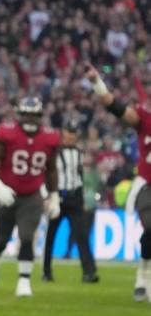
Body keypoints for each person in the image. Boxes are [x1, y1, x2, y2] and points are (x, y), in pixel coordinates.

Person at [0, 96, 61, 297]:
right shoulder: (6, 134)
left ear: (40, 116)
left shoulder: (50, 138)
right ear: (19, 115)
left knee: (27, 237)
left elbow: (51, 169)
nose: (30, 119)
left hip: (32, 194)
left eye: (34, 115)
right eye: (26, 115)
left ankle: (24, 281)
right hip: (6, 192)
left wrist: (54, 195)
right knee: (2, 239)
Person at [86, 65, 151, 302]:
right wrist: (96, 82)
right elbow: (113, 105)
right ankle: (144, 274)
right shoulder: (144, 117)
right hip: (148, 183)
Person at [42, 119, 99, 283]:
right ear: (63, 134)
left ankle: (89, 272)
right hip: (57, 196)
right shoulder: (53, 152)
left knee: (82, 235)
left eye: (74, 134)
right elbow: (48, 175)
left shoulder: (79, 153)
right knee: (50, 235)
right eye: (69, 134)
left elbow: (80, 177)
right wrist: (48, 196)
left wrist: (81, 199)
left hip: (74, 198)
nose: (71, 138)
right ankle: (46, 271)